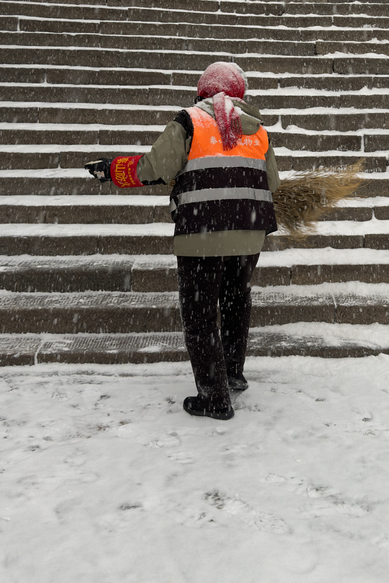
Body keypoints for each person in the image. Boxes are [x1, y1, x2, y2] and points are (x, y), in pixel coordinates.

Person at [85, 62, 280, 420]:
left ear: (202, 91)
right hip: (250, 234)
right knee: (237, 301)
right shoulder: (258, 129)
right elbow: (274, 182)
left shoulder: (190, 121)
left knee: (201, 313)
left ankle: (214, 398)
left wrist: (111, 169)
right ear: (241, 93)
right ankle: (232, 374)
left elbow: (153, 168)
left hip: (202, 235)